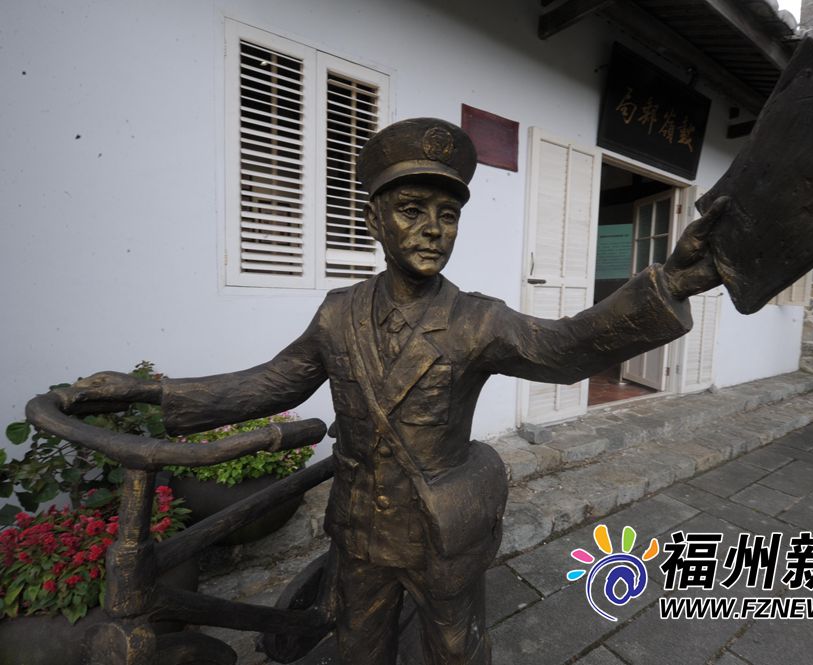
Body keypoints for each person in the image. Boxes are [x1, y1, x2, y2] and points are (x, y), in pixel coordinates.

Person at [64, 118, 729, 665]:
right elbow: (266, 384)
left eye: (447, 213)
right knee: (358, 646)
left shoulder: (477, 318)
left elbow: (566, 346)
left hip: (441, 528)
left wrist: (666, 284)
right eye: (411, 210)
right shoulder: (338, 314)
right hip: (358, 528)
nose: (433, 228)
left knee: (453, 646)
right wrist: (145, 391)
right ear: (373, 219)